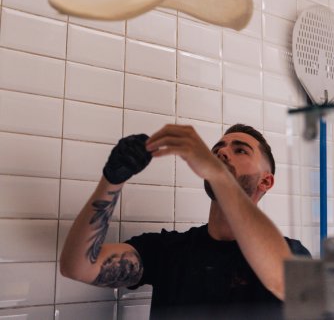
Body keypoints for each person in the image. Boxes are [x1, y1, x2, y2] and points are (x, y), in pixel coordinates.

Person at [60, 123, 310, 319]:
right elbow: (78, 265)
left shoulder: (294, 254)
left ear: (265, 181)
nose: (222, 152)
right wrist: (112, 180)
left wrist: (217, 172)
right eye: (218, 148)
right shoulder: (169, 251)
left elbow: (283, 281)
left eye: (240, 150)